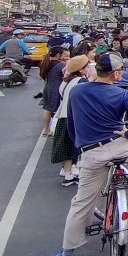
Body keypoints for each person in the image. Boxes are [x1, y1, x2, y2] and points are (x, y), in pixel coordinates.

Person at [47, 52, 128, 256]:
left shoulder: (77, 92)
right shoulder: (122, 94)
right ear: (116, 74)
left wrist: (80, 146)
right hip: (121, 144)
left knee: (81, 204)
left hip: (92, 152)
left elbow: (73, 125)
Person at [50, 55, 90, 186]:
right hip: (75, 117)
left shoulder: (66, 81)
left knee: (66, 145)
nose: (89, 68)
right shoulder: (81, 82)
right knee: (73, 146)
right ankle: (69, 175)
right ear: (81, 69)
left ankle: (67, 171)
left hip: (64, 116)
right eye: (87, 67)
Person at [40, 47, 70, 136]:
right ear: (58, 55)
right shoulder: (61, 65)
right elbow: (66, 75)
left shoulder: (46, 63)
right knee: (58, 111)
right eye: (63, 54)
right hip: (57, 90)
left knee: (48, 110)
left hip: (48, 88)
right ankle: (56, 130)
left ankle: (46, 129)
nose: (65, 56)